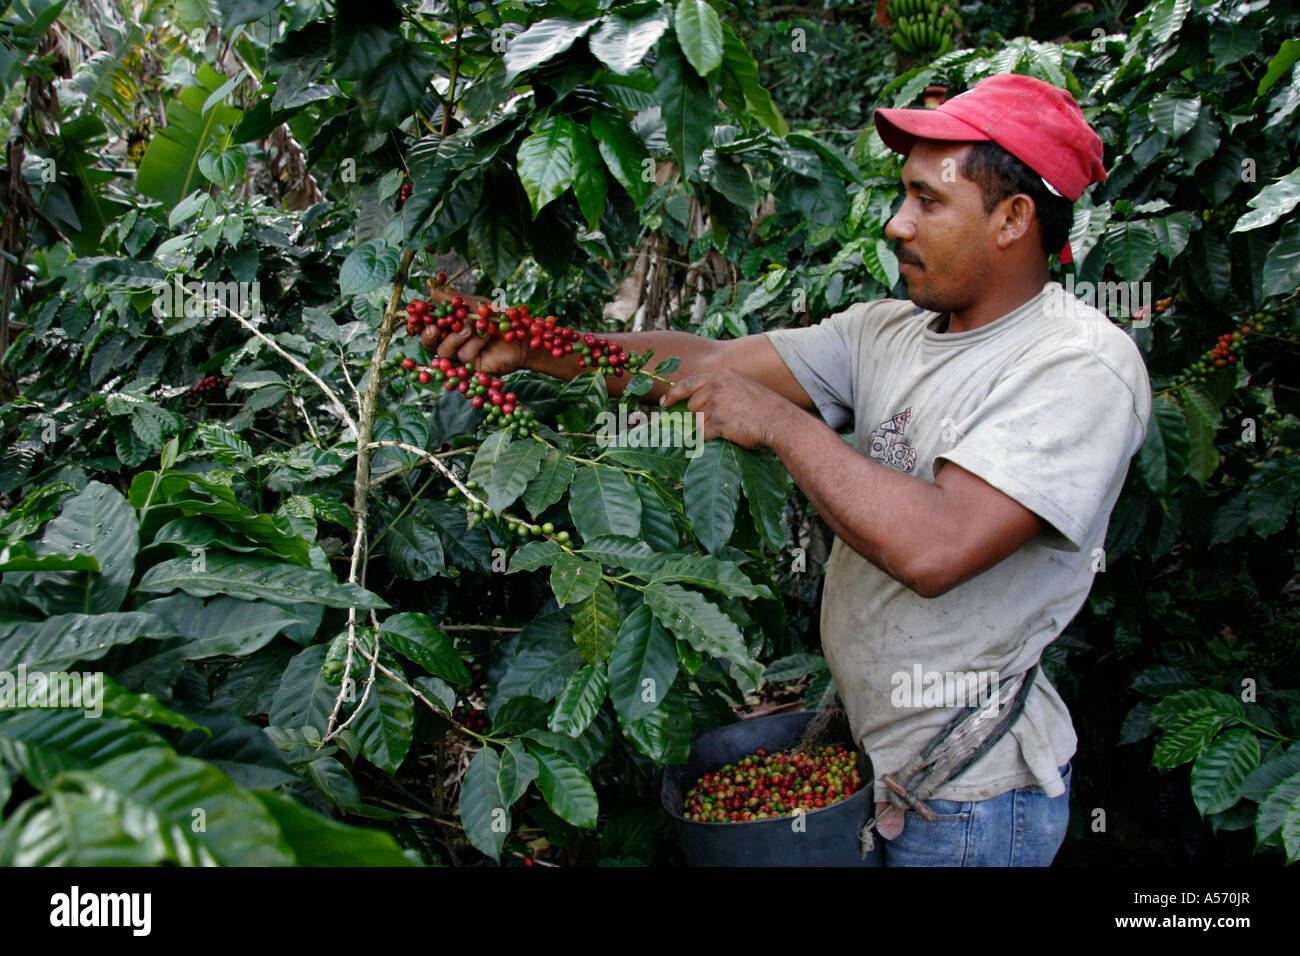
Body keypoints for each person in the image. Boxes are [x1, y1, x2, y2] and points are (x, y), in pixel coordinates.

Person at [430, 73, 1152, 866]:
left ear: (1013, 218)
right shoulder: (889, 332)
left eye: (927, 200)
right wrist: (542, 349)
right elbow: (706, 363)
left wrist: (777, 424)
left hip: (972, 801)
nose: (896, 222)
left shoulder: (1077, 364)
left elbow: (937, 548)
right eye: (902, 194)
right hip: (879, 764)